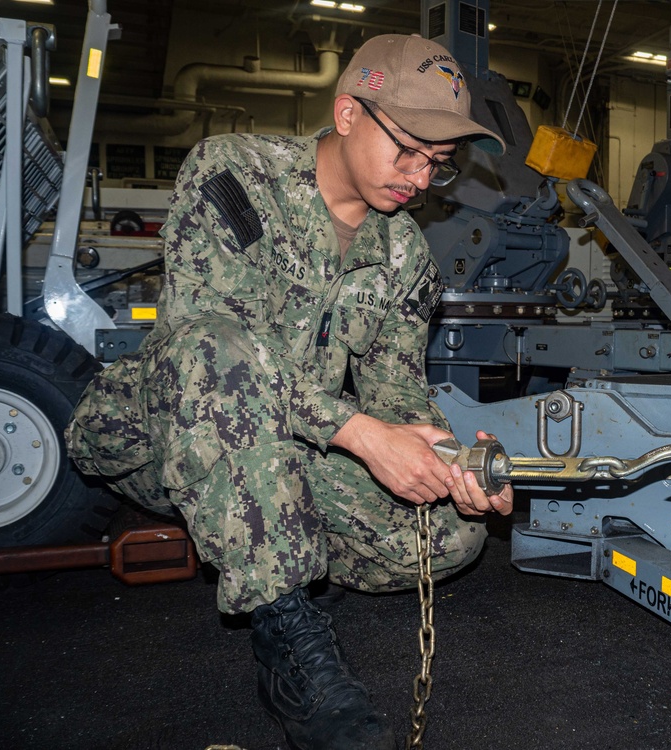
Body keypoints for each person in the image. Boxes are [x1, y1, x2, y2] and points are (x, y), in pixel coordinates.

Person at [66, 33, 513, 750]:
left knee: (452, 537)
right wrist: (364, 437)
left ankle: (269, 528)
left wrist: (448, 458)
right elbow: (211, 343)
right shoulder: (235, 173)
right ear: (346, 114)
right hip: (158, 429)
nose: (420, 178)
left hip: (292, 444)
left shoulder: (404, 253)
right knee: (216, 347)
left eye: (438, 163)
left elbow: (395, 388)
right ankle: (290, 639)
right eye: (407, 149)